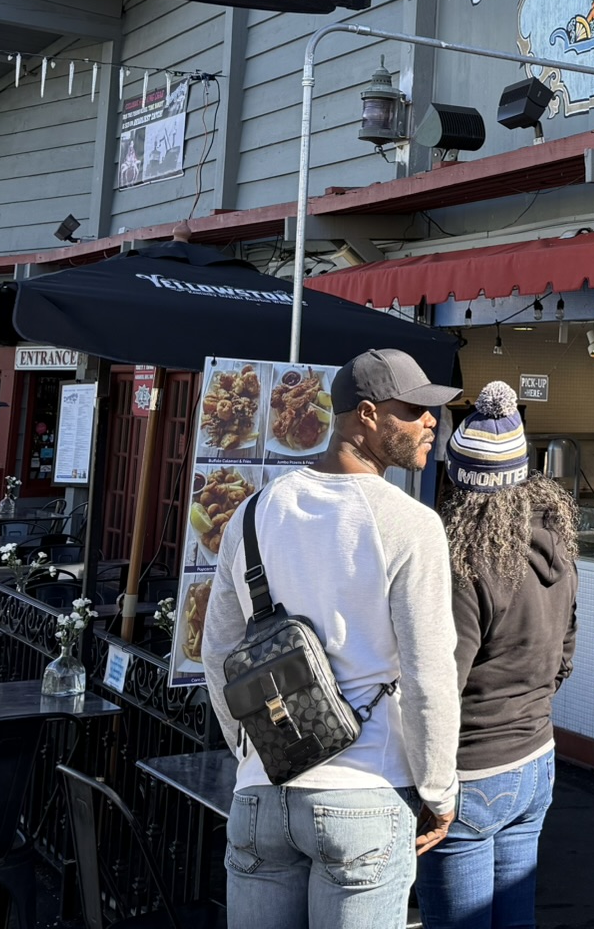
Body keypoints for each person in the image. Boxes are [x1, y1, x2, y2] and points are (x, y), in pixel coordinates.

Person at [202, 347, 464, 929]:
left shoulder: (250, 514)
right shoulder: (412, 524)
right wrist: (440, 790)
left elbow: (217, 652)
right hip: (365, 793)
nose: (432, 423)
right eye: (415, 410)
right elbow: (429, 676)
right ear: (367, 416)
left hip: (260, 798)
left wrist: (253, 749)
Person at [417, 382, 578, 929]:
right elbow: (564, 657)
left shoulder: (464, 566)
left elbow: (441, 685)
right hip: (537, 759)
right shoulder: (558, 547)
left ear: (458, 483)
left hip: (473, 772)